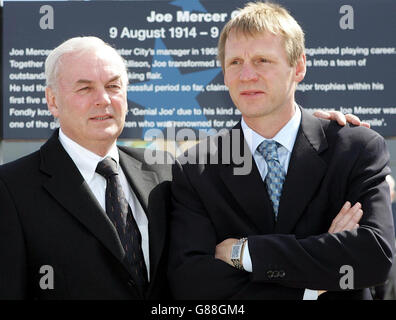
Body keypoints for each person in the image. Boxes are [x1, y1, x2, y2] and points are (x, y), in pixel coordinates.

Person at [168, 2, 394, 300]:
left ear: (298, 66)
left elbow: (374, 257)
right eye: (235, 62)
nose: (246, 75)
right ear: (223, 73)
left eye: (262, 60)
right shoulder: (196, 168)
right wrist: (313, 281)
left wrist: (245, 252)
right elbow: (193, 284)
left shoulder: (355, 148)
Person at [0, 37, 172, 299]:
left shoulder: (163, 171)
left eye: (113, 86)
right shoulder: (10, 189)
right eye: (85, 89)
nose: (103, 99)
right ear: (53, 101)